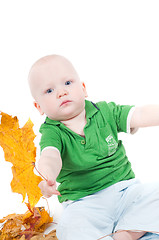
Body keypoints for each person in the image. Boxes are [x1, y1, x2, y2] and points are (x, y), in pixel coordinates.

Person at [28, 54, 159, 240]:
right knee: (70, 228)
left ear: (83, 88)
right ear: (38, 106)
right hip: (84, 203)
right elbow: (50, 156)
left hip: (127, 191)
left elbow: (139, 114)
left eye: (67, 83)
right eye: (49, 91)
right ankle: (136, 230)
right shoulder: (52, 131)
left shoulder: (105, 111)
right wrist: (48, 175)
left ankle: (127, 233)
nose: (61, 92)